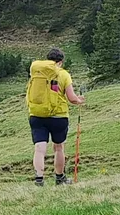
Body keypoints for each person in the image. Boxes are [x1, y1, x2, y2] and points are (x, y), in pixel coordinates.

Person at [26, 48, 85, 185]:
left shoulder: (36, 72)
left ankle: (39, 180)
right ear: (60, 62)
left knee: (40, 148)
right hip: (58, 116)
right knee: (59, 147)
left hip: (37, 114)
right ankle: (60, 178)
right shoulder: (63, 74)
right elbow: (71, 98)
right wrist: (79, 100)